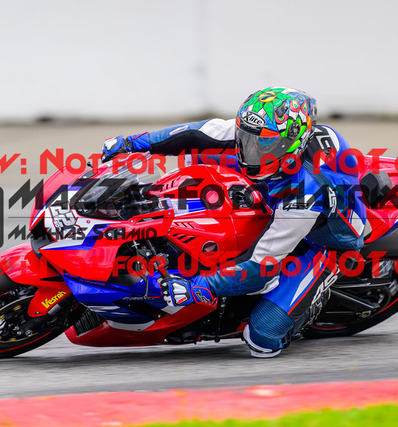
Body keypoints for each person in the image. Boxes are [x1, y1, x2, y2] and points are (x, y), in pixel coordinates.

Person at [101, 87, 366, 357]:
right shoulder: (266, 132)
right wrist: (132, 143)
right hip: (277, 193)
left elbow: (260, 267)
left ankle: (313, 303)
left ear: (293, 144)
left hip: (324, 243)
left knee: (262, 339)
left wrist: (195, 288)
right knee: (199, 154)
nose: (251, 150)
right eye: (247, 138)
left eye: (265, 145)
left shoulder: (305, 196)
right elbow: (195, 133)